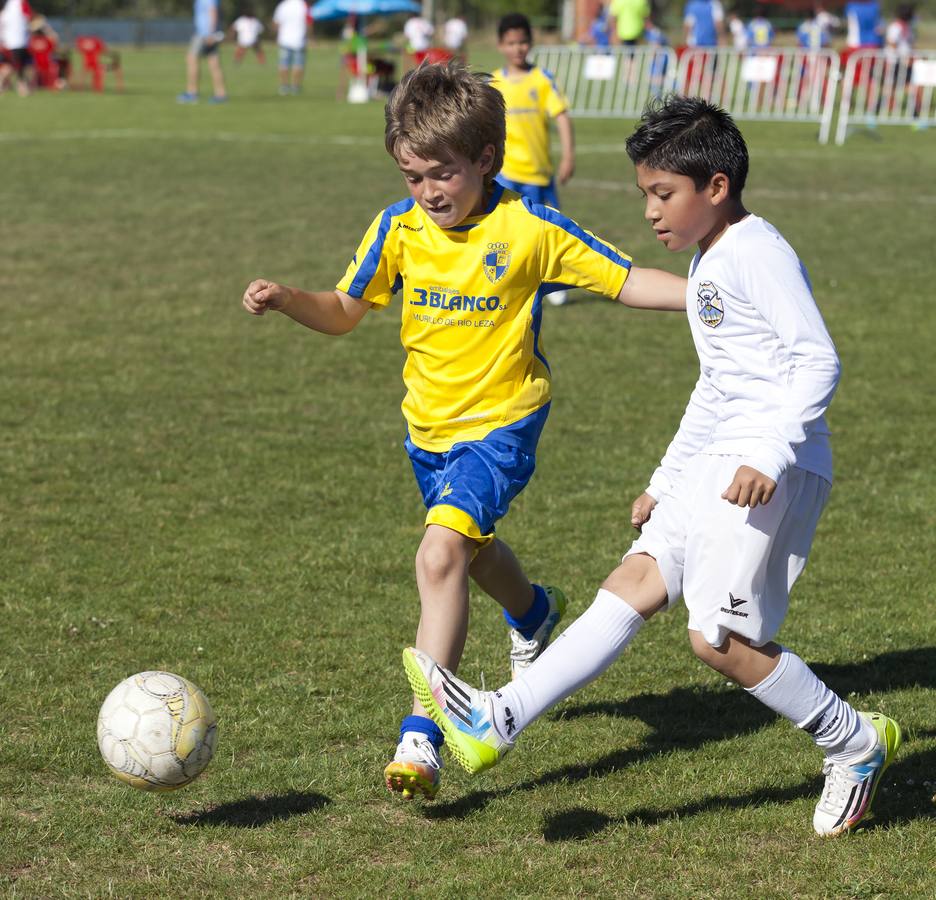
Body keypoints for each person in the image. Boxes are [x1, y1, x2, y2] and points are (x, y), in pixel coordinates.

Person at [402, 95, 903, 837]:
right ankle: (499, 717)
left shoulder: (755, 252)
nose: (650, 212)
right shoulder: (707, 263)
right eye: (646, 195)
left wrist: (767, 454)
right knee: (633, 583)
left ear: (717, 189)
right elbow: (717, 384)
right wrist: (667, 480)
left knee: (719, 642)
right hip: (719, 459)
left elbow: (816, 360)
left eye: (663, 194)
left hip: (773, 463)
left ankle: (854, 742)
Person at [242, 62, 687, 801]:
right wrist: (291, 298)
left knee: (439, 554)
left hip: (502, 425)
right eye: (413, 176)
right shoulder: (399, 227)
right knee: (470, 555)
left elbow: (625, 279)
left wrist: (714, 294)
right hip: (427, 429)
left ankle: (423, 733)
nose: (428, 193)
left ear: (486, 158)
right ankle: (534, 609)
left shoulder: (529, 229)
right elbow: (347, 309)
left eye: (441, 174)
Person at [491, 13, 575, 306]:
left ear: (531, 43)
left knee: (550, 230)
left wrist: (568, 156)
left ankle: (556, 281)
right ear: (501, 45)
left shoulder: (542, 80)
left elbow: (562, 117)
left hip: (539, 172)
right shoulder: (494, 83)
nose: (518, 48)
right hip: (506, 173)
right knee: (504, 232)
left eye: (523, 42)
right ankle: (506, 282)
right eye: (511, 43)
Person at [177, 0, 227, 104]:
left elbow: (213, 11)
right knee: (214, 63)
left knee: (191, 58)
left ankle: (192, 93)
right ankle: (221, 94)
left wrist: (211, 33)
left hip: (205, 35)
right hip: (206, 33)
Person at [272, 0, 308, 95]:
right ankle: (295, 87)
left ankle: (284, 86)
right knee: (298, 65)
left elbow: (276, 22)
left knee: (283, 64)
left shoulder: (282, 5)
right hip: (299, 39)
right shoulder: (303, 5)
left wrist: (276, 35)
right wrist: (310, 36)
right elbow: (308, 21)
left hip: (284, 39)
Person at [0, 0, 32, 96]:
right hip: (16, 40)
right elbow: (28, 16)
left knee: (14, 65)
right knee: (16, 65)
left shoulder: (9, 4)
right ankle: (21, 87)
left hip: (10, 40)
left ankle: (20, 87)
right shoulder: (19, 3)